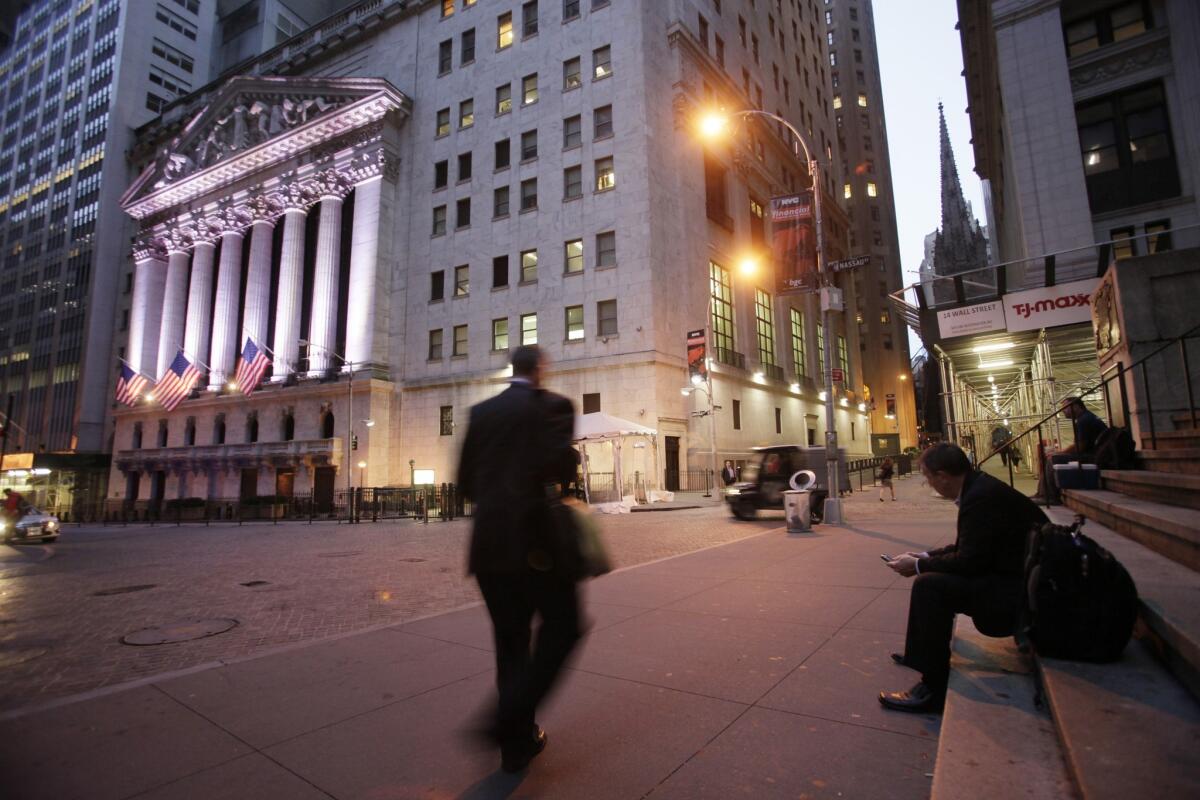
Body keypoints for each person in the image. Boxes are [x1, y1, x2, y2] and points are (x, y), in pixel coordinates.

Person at [457, 345, 582, 773]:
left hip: (489, 545)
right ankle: (505, 717)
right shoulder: (555, 407)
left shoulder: (481, 412)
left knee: (510, 644)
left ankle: (517, 744)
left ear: (513, 369)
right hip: (537, 545)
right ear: (541, 369)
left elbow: (465, 485)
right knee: (564, 625)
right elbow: (562, 468)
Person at [878, 442, 1048, 713]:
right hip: (1013, 577)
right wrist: (923, 556)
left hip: (1014, 592)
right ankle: (920, 655)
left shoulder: (980, 498)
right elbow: (967, 548)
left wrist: (920, 566)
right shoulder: (980, 488)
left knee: (929, 587)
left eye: (928, 478)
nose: (929, 484)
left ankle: (933, 688)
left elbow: (968, 560)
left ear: (943, 476)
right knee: (930, 579)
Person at [1035, 397, 1108, 503]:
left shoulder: (1084, 420)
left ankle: (1050, 496)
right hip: (1094, 453)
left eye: (1065, 408)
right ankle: (1042, 494)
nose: (1063, 411)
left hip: (1092, 456)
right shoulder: (1086, 417)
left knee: (1052, 459)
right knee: (1053, 457)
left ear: (1076, 406)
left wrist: (1059, 453)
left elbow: (1080, 446)